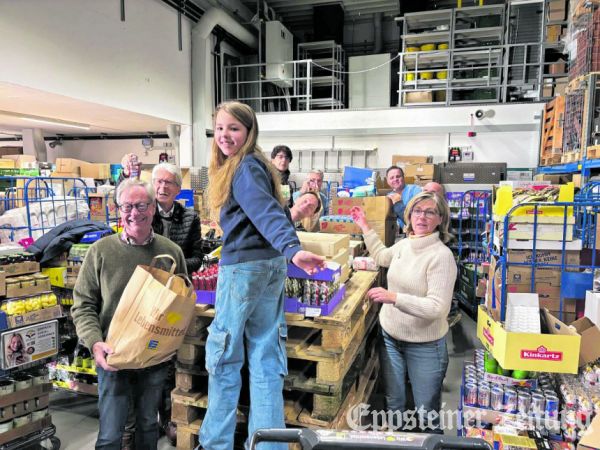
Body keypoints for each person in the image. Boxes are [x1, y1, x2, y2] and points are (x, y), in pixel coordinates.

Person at [199, 101, 325, 450]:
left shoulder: (244, 168)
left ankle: (216, 444)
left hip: (244, 271)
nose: (225, 135)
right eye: (221, 128)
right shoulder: (258, 167)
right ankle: (268, 445)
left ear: (249, 132)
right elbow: (276, 211)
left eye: (234, 129)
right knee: (265, 357)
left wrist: (293, 247)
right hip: (269, 267)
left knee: (224, 358)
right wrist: (289, 248)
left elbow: (265, 212)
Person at [72, 178, 186, 450]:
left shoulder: (171, 253)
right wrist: (94, 342)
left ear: (154, 208)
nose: (134, 213)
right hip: (114, 357)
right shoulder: (101, 251)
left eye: (141, 205)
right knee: (111, 433)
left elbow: (180, 307)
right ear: (119, 210)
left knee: (148, 424)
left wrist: (170, 339)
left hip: (153, 360)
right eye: (127, 206)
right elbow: (83, 304)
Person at [350, 191, 456, 433]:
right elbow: (381, 256)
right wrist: (364, 225)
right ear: (409, 215)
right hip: (390, 337)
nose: (422, 217)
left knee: (426, 411)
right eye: (417, 211)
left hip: (425, 345)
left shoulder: (441, 257)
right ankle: (397, 439)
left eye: (430, 212)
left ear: (441, 219)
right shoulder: (405, 245)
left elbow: (437, 308)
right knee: (394, 402)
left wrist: (393, 297)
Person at [422, 181, 462, 328]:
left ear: (442, 197)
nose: (428, 194)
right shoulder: (426, 207)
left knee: (441, 288)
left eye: (433, 192)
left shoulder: (441, 212)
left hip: (440, 254)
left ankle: (450, 313)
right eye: (425, 190)